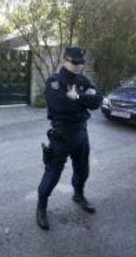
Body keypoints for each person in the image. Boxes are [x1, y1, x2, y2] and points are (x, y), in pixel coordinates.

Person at [36, 46, 102, 230]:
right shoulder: (54, 81)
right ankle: (41, 207)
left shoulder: (82, 80)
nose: (79, 66)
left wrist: (77, 97)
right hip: (61, 135)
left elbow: (97, 101)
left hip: (81, 133)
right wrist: (84, 100)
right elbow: (61, 105)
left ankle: (78, 195)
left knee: (83, 170)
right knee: (52, 174)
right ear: (65, 60)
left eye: (81, 63)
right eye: (75, 62)